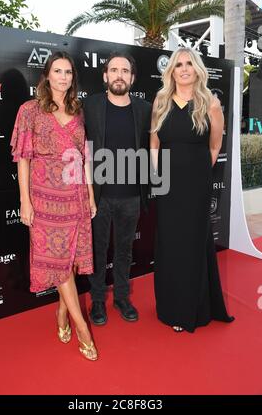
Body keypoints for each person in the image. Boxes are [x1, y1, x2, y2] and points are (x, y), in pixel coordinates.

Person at [11, 51, 98, 360]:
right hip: (45, 198)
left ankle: (62, 313)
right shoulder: (30, 111)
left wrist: (89, 194)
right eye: (58, 71)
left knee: (72, 260)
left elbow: (83, 157)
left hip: (74, 195)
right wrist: (25, 199)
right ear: (47, 75)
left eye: (68, 72)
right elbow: (23, 158)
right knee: (59, 262)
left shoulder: (77, 109)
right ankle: (82, 329)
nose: (64, 77)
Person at [150, 48, 234, 333]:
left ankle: (193, 308)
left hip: (197, 184)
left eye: (189, 64)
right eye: (178, 65)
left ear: (197, 69)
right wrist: (157, 174)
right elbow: (154, 144)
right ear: (171, 71)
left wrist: (197, 173)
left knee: (193, 242)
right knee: (171, 243)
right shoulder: (161, 101)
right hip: (168, 184)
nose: (184, 69)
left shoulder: (210, 102)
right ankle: (172, 305)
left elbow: (214, 145)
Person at [83, 52, 152, 325]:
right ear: (105, 76)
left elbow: (155, 147)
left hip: (132, 195)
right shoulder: (90, 106)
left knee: (124, 250)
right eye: (114, 70)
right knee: (98, 250)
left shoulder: (145, 109)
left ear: (132, 78)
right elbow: (79, 147)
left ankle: (122, 296)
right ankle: (98, 300)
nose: (119, 75)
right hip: (99, 196)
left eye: (125, 71)